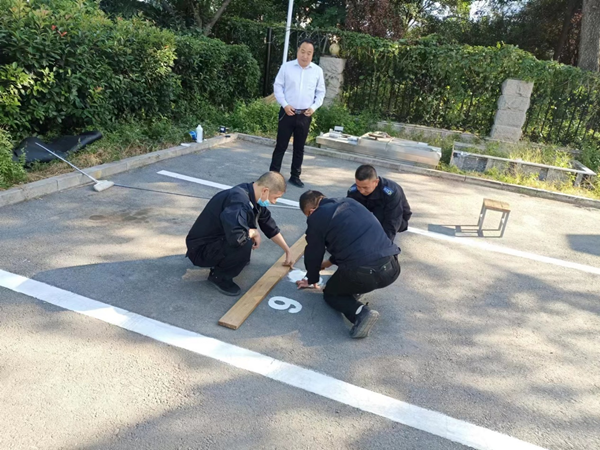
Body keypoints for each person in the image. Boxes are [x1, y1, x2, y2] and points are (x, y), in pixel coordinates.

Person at [296, 191, 401, 339]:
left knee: (331, 293)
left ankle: (360, 313)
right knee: (356, 270)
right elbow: (352, 241)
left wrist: (311, 278)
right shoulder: (351, 203)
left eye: (308, 215)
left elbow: (314, 251)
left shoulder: (317, 216)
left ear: (311, 211)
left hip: (363, 274)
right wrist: (328, 263)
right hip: (391, 268)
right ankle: (355, 290)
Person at [185, 172, 293, 296]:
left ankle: (232, 260)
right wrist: (253, 232)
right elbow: (237, 238)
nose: (274, 202)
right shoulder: (238, 201)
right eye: (275, 197)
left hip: (213, 241)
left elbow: (269, 226)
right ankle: (219, 277)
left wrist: (287, 250)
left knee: (246, 237)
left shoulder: (252, 195)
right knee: (244, 242)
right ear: (265, 191)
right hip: (200, 250)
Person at [269, 39, 326, 188]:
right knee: (281, 145)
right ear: (298, 51)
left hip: (305, 114)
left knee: (299, 147)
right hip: (287, 112)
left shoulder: (317, 71)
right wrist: (285, 104)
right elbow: (278, 87)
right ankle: (273, 175)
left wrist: (313, 107)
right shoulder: (287, 67)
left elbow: (321, 92)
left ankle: (295, 176)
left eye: (309, 53)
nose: (305, 56)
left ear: (312, 55)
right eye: (303, 51)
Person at [347, 165, 412, 242]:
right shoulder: (353, 191)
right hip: (373, 212)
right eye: (358, 186)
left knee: (378, 219)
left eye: (365, 187)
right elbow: (348, 213)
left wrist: (384, 245)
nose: (361, 191)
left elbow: (393, 221)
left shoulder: (391, 192)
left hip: (397, 217)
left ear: (376, 182)